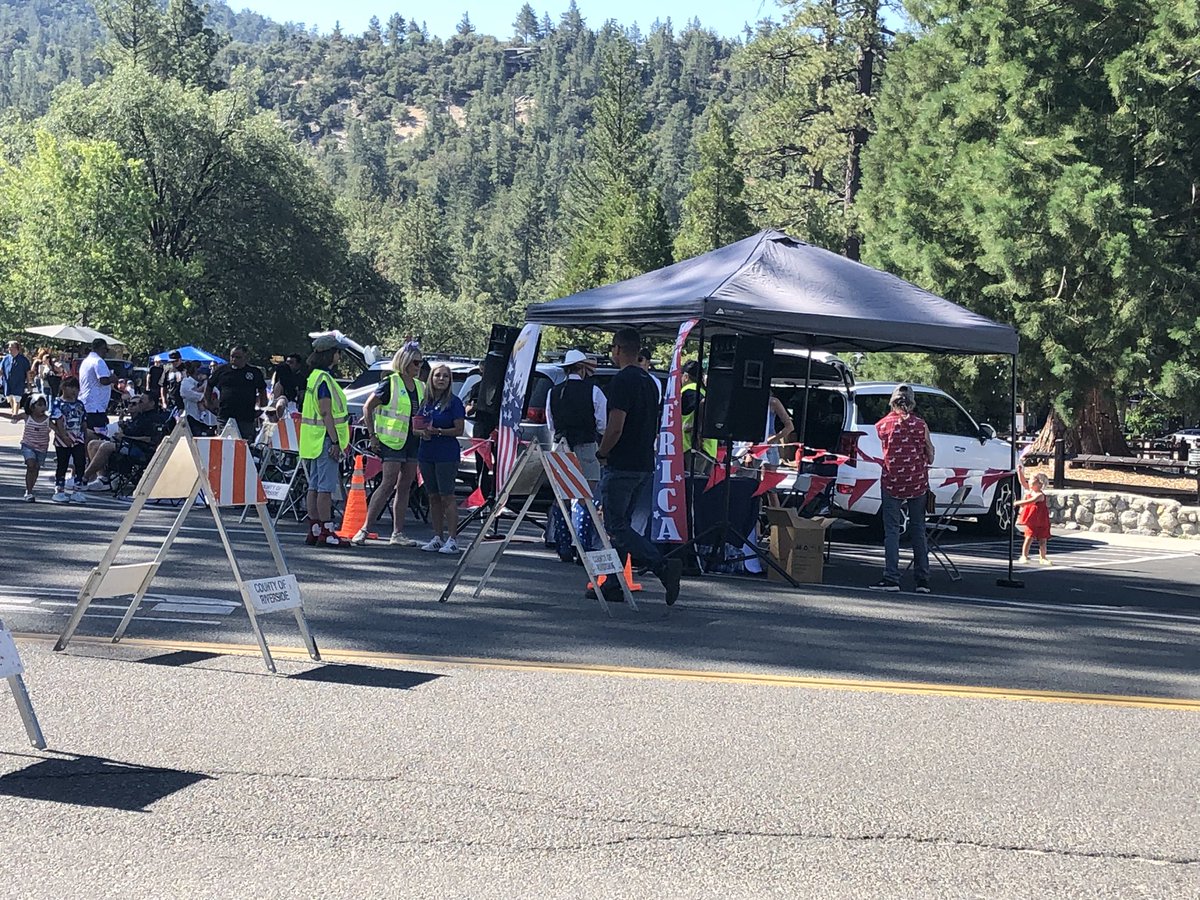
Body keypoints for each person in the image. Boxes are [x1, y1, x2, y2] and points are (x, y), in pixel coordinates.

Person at [593, 328, 683, 606]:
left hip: (622, 462)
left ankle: (661, 565)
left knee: (616, 525)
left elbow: (616, 425)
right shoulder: (650, 381)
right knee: (624, 524)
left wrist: (602, 451)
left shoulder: (622, 381)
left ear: (618, 349)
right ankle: (613, 583)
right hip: (644, 461)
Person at [354, 343, 424, 547]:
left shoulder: (420, 386)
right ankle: (365, 528)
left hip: (413, 440)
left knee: (405, 486)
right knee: (388, 483)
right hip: (391, 440)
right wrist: (372, 436)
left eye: (421, 362)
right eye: (415, 362)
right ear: (404, 362)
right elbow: (368, 407)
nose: (419, 366)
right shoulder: (390, 383)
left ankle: (398, 533)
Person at [869, 384, 934, 593]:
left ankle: (891, 578)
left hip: (891, 481)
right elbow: (930, 453)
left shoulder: (882, 425)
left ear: (892, 401)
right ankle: (922, 580)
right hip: (917, 481)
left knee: (892, 531)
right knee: (918, 530)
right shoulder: (920, 424)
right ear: (912, 402)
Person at [299, 335, 351, 547]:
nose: (340, 356)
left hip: (313, 439)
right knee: (325, 488)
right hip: (325, 440)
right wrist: (335, 441)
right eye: (338, 352)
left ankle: (315, 528)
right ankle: (327, 530)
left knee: (314, 485)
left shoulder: (314, 376)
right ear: (331, 354)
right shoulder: (324, 380)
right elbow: (325, 411)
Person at [416, 363, 467, 554]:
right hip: (427, 452)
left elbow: (459, 429)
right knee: (433, 496)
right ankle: (437, 536)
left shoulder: (454, 402)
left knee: (447, 496)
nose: (441, 379)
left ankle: (453, 539)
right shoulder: (426, 402)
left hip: (446, 454)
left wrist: (438, 431)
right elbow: (417, 425)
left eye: (445, 376)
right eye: (438, 376)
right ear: (431, 378)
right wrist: (421, 432)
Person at [547, 349, 606, 487]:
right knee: (586, 489)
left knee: (563, 488)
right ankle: (581, 508)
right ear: (582, 369)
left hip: (561, 444)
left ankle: (563, 509)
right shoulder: (594, 391)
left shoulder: (553, 392)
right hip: (586, 444)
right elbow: (602, 424)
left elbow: (551, 425)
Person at [82, 393, 167, 489]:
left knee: (106, 446)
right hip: (127, 443)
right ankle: (103, 478)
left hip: (140, 449)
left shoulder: (154, 419)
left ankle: (83, 477)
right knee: (93, 444)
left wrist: (125, 437)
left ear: (152, 403)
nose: (139, 404)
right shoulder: (140, 416)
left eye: (141, 401)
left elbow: (151, 440)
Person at [205, 345, 267, 441]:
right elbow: (209, 385)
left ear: (246, 358)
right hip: (225, 416)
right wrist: (208, 403)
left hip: (246, 417)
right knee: (224, 444)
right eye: (232, 356)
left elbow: (262, 390)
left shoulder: (254, 372)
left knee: (246, 445)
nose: (234, 359)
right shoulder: (222, 370)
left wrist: (262, 408)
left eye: (238, 357)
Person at [50, 376, 88, 503]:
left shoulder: (79, 404)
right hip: (62, 439)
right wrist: (63, 436)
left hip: (78, 438)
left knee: (80, 462)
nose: (74, 391)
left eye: (76, 388)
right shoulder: (58, 402)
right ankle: (59, 488)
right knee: (63, 463)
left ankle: (77, 489)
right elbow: (57, 420)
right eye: (71, 387)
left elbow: (84, 422)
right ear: (63, 388)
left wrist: (85, 440)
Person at [15, 394, 52, 501]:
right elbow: (14, 417)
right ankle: (29, 492)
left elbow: (57, 430)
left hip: (42, 448)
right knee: (31, 465)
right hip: (28, 445)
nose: (43, 408)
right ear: (32, 407)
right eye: (39, 405)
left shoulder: (47, 420)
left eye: (44, 405)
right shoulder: (27, 417)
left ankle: (30, 488)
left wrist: (65, 437)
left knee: (36, 468)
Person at [680, 360, 718, 459]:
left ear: (686, 376)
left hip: (691, 448)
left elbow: (702, 405)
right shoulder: (705, 392)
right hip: (709, 449)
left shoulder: (688, 391)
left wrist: (697, 432)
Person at [1015, 466, 1052, 564]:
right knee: (1028, 537)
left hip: (1041, 520)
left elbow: (1030, 501)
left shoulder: (1040, 495)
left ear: (1040, 484)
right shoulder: (1031, 491)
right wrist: (1019, 472)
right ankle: (1024, 556)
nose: (1029, 481)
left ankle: (1043, 557)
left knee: (1042, 539)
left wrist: (1017, 503)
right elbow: (1022, 482)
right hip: (1032, 520)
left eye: (1032, 480)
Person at [78, 338, 113, 439]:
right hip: (96, 407)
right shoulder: (98, 361)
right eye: (105, 350)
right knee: (98, 436)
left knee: (86, 434)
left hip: (87, 403)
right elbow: (103, 380)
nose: (106, 353)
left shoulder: (86, 361)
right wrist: (112, 378)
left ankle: (86, 454)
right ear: (101, 348)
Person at [179, 362, 216, 435]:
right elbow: (189, 394)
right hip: (193, 419)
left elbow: (214, 395)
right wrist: (204, 396)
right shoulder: (186, 382)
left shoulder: (209, 382)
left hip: (211, 421)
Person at [2, 340, 32, 417]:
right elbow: (1, 370)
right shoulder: (6, 358)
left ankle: (15, 414)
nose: (9, 350)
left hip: (19, 383)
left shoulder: (23, 360)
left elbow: (28, 372)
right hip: (8, 383)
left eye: (11, 348)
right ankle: (13, 410)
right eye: (8, 348)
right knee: (10, 398)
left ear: (16, 348)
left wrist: (29, 384)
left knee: (17, 399)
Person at [161, 350, 185, 414]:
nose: (174, 363)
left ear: (180, 359)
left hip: (185, 402)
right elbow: (163, 386)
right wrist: (164, 402)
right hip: (172, 401)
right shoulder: (167, 369)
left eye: (176, 361)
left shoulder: (186, 368)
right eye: (172, 361)